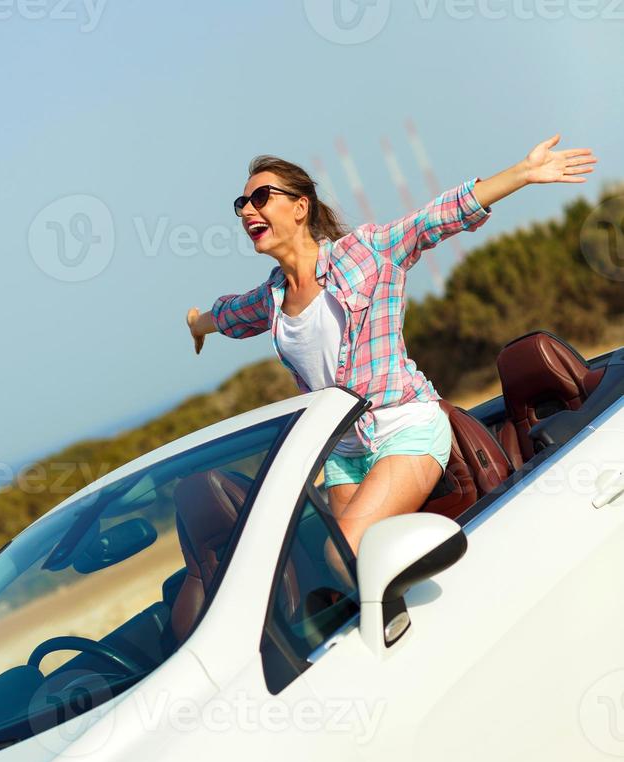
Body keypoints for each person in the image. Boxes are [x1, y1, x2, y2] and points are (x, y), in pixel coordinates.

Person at [186, 135, 597, 560]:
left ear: (300, 206)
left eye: (260, 197)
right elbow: (226, 316)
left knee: (339, 552)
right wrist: (196, 324)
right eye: (242, 203)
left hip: (406, 430)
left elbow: (435, 218)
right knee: (343, 572)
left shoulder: (363, 253)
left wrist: (523, 174)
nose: (248, 210)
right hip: (343, 453)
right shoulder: (270, 298)